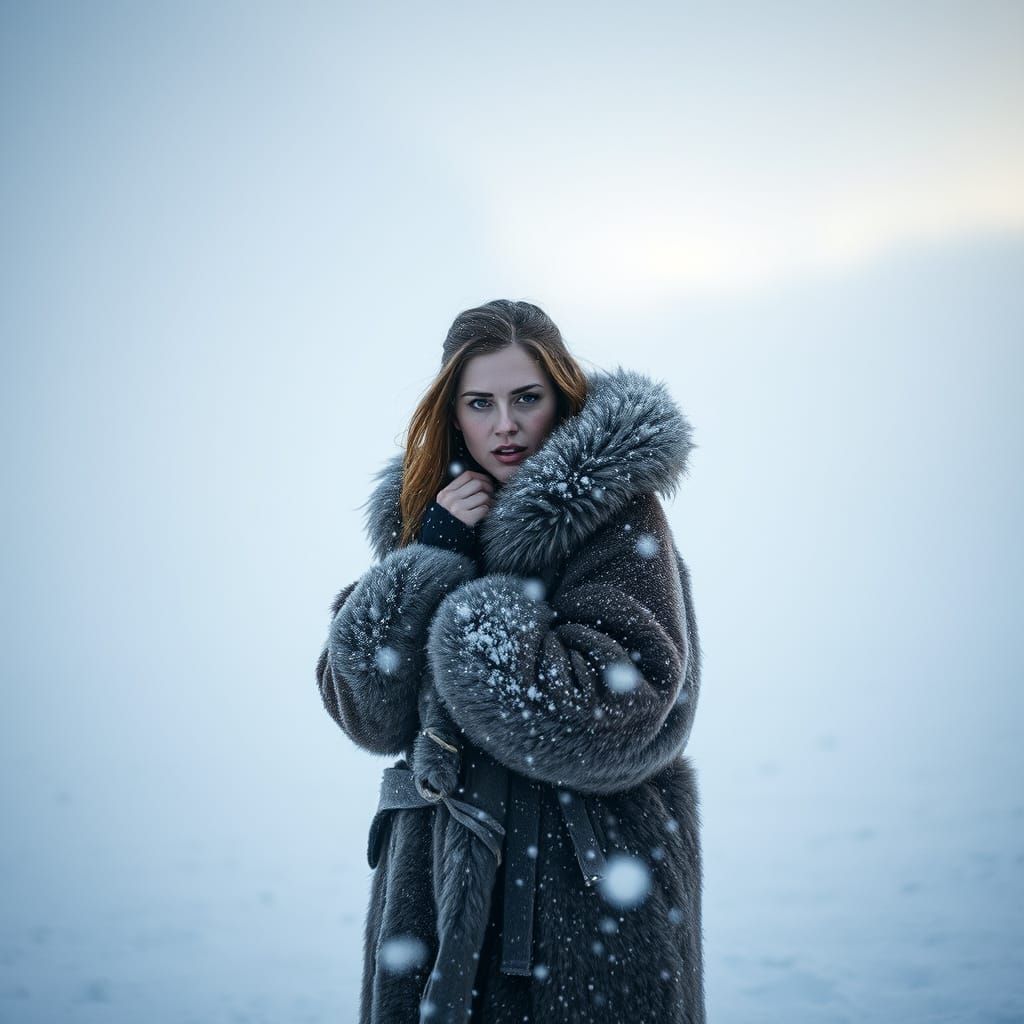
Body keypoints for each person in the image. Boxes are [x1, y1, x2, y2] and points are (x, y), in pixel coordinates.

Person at [316, 299, 705, 1024]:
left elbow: (623, 709)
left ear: (560, 396)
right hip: (430, 891)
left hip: (584, 890)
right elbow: (368, 709)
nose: (505, 424)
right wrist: (430, 557)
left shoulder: (616, 514)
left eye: (526, 398)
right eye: (479, 402)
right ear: (450, 413)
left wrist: (477, 609)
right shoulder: (435, 515)